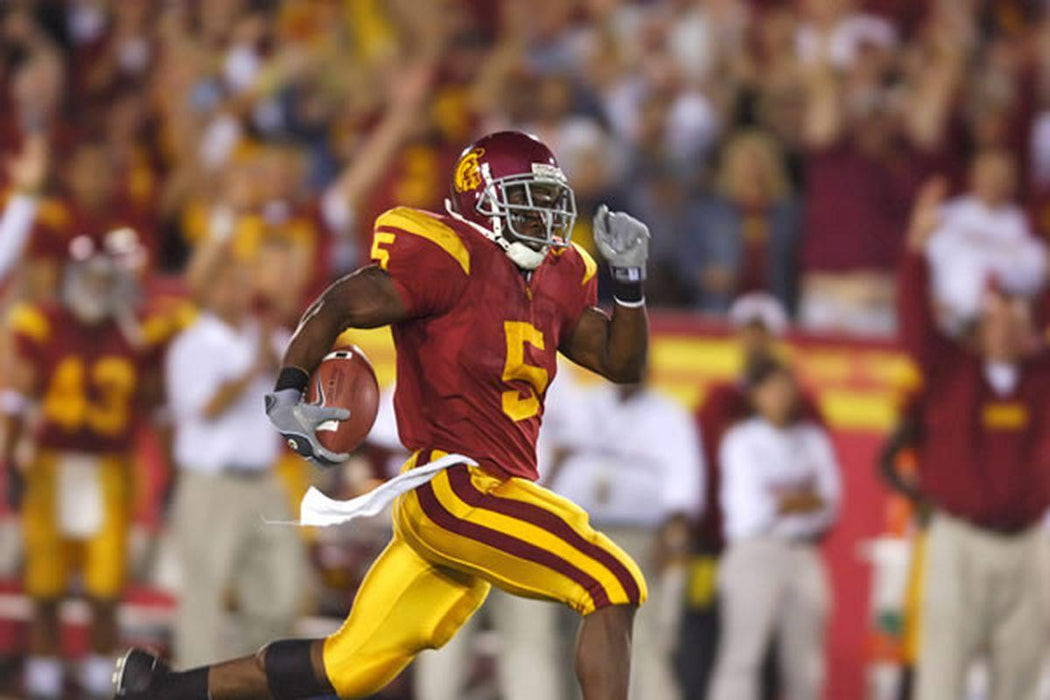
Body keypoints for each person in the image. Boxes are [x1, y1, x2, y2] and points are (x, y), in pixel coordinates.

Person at [114, 130, 652, 700]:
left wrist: (631, 284)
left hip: (490, 493)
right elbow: (340, 302)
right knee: (613, 582)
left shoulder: (557, 275)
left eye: (551, 199)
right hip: (457, 486)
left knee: (348, 666)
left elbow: (621, 361)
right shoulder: (450, 255)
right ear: (481, 199)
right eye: (529, 197)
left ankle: (162, 690)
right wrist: (288, 390)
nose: (546, 215)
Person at [900, 178, 1050, 700]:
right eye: (996, 314)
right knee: (941, 673)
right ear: (980, 325)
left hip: (1028, 542)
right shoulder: (951, 372)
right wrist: (917, 248)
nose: (1006, 324)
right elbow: (915, 323)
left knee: (1020, 676)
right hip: (958, 540)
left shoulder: (1041, 380)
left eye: (1018, 314)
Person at [1, 230, 157, 699]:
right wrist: (10, 461)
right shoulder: (43, 322)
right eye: (87, 276)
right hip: (52, 463)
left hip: (108, 466)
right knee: (45, 583)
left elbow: (153, 403)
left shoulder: (130, 330)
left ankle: (99, 674)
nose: (95, 285)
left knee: (106, 586)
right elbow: (18, 394)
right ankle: (46, 674)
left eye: (104, 277)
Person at [163, 246, 304, 667]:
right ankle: (194, 691)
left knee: (281, 592)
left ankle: (255, 687)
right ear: (205, 291)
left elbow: (301, 392)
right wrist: (250, 369)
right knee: (203, 600)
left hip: (263, 482)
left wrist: (273, 352)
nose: (235, 291)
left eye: (242, 282)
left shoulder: (268, 338)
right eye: (225, 282)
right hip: (211, 485)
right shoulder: (192, 345)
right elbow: (205, 408)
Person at [544, 377, 704, 700]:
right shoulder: (583, 404)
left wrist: (673, 535)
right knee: (569, 639)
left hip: (639, 541)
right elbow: (554, 460)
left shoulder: (668, 414)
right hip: (577, 537)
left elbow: (683, 482)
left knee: (641, 639)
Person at [708, 358, 841, 700]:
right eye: (772, 387)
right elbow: (751, 510)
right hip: (754, 551)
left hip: (803, 551)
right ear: (755, 395)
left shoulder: (812, 439)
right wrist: (801, 500)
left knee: (806, 664)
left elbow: (830, 504)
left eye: (787, 386)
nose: (782, 395)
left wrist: (788, 502)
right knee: (742, 656)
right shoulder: (741, 440)